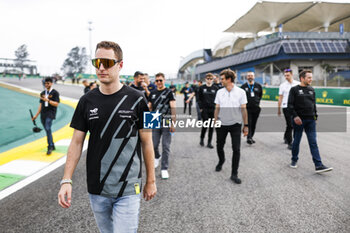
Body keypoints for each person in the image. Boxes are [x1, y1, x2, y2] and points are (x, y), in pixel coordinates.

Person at [58, 41, 157, 233]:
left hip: (128, 187)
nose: (101, 68)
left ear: (120, 65)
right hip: (97, 187)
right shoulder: (86, 101)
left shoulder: (139, 98)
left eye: (107, 62)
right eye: (97, 62)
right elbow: (76, 143)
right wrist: (66, 180)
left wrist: (151, 181)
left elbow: (148, 142)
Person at [288, 70, 333, 173]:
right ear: (302, 78)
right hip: (299, 120)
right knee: (296, 141)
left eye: (311, 77)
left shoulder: (312, 90)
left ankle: (318, 165)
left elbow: (314, 105)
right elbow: (290, 105)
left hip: (310, 120)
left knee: (313, 142)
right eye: (309, 77)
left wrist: (315, 117)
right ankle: (294, 160)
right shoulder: (294, 90)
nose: (311, 79)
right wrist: (295, 117)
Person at [214, 69, 248, 184]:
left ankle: (234, 173)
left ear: (229, 79)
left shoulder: (241, 92)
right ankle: (221, 160)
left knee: (236, 149)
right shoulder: (219, 92)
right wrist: (215, 120)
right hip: (222, 124)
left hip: (235, 124)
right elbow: (217, 107)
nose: (220, 81)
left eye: (222, 79)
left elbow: (243, 109)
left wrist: (246, 125)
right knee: (219, 146)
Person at [148, 72, 176, 179]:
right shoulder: (153, 93)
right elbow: (149, 107)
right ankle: (157, 156)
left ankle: (164, 168)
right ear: (155, 82)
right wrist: (147, 121)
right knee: (153, 145)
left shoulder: (169, 92)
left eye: (161, 80)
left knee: (166, 146)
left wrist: (173, 123)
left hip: (167, 120)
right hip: (155, 120)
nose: (159, 82)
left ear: (164, 80)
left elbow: (173, 107)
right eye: (157, 80)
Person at [32, 77, 60, 155]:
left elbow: (56, 104)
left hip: (50, 113)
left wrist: (48, 100)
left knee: (48, 128)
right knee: (47, 130)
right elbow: (40, 105)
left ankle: (50, 146)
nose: (46, 85)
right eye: (45, 83)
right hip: (43, 114)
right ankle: (52, 144)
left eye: (48, 83)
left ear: (51, 83)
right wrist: (36, 115)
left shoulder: (55, 93)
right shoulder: (42, 93)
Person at [278, 69, 300, 150]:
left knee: (291, 125)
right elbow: (280, 98)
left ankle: (286, 136)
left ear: (292, 75)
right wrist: (278, 109)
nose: (286, 77)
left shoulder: (297, 84)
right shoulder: (282, 85)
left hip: (295, 107)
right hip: (286, 107)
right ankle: (290, 142)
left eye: (288, 75)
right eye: (285, 75)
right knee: (290, 124)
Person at [241, 72, 263, 144]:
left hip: (256, 108)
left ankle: (251, 136)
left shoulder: (258, 86)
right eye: (248, 76)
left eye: (251, 76)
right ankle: (249, 137)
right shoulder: (243, 87)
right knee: (248, 123)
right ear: (247, 77)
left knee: (254, 124)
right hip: (247, 108)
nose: (250, 77)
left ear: (254, 77)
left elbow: (260, 95)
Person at [197, 74, 218, 148]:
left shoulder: (215, 88)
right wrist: (201, 107)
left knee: (211, 126)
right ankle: (202, 139)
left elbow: (218, 99)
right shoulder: (201, 88)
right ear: (205, 79)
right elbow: (198, 98)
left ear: (212, 79)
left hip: (212, 109)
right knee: (205, 125)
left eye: (210, 79)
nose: (209, 80)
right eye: (208, 78)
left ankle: (209, 142)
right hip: (204, 109)